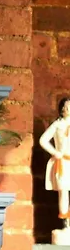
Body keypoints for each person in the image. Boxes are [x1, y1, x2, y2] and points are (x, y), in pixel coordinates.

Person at [41, 97, 70, 227]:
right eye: (65, 107)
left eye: (69, 107)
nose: (67, 109)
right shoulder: (58, 125)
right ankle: (65, 222)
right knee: (63, 192)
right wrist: (55, 152)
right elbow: (43, 140)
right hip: (63, 163)